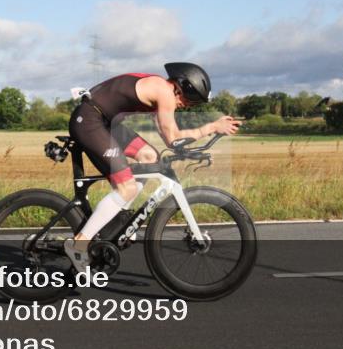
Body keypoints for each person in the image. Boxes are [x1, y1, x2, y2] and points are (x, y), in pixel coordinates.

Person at [63, 62, 241, 271]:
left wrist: (190, 146)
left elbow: (170, 139)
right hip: (90, 122)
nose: (187, 106)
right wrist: (211, 127)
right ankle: (79, 244)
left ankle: (119, 222)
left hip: (104, 121)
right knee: (127, 188)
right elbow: (173, 138)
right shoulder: (164, 91)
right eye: (190, 101)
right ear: (182, 88)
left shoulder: (160, 90)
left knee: (149, 157)